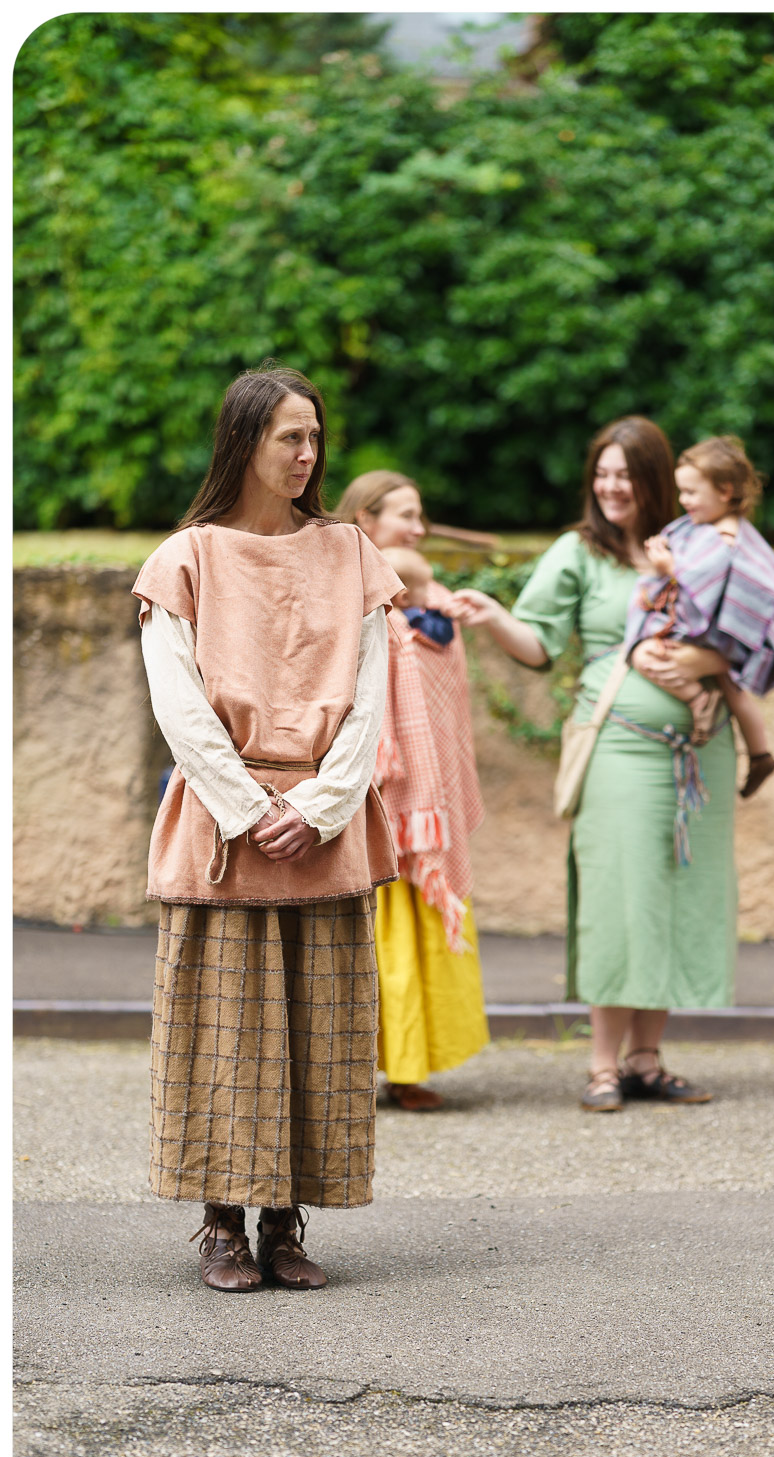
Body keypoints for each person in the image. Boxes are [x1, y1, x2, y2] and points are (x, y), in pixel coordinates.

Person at [133, 364, 402, 1291]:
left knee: (317, 1031)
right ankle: (220, 1224)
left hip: (322, 826)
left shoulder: (351, 553)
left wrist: (321, 805)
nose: (307, 453)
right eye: (290, 436)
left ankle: (285, 1220)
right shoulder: (188, 557)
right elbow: (179, 704)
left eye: (315, 437)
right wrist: (249, 810)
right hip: (226, 828)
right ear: (245, 441)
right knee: (226, 1028)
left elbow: (372, 696)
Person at [451, 416, 737, 1112]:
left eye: (624, 474)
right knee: (620, 894)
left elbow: (744, 632)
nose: (610, 486)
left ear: (655, 479)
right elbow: (540, 643)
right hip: (619, 744)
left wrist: (699, 668)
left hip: (699, 750)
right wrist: (493, 616)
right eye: (600, 474)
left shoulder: (694, 544)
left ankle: (647, 1058)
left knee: (677, 893)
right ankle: (602, 1064)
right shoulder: (578, 552)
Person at [334, 472, 489, 1111]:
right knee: (371, 940)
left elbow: (446, 711)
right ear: (366, 520)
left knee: (416, 936)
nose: (419, 528)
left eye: (422, 517)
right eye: (407, 516)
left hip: (427, 807)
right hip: (374, 799)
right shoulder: (349, 598)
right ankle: (351, 1068)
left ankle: (409, 1065)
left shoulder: (435, 603)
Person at [624, 434, 774, 797]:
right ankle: (760, 753)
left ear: (724, 491)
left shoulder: (724, 539)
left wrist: (667, 565)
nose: (683, 501)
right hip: (717, 640)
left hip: (713, 637)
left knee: (643, 655)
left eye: (691, 492)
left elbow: (700, 585)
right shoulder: (717, 529)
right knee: (734, 691)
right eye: (682, 492)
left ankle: (697, 698)